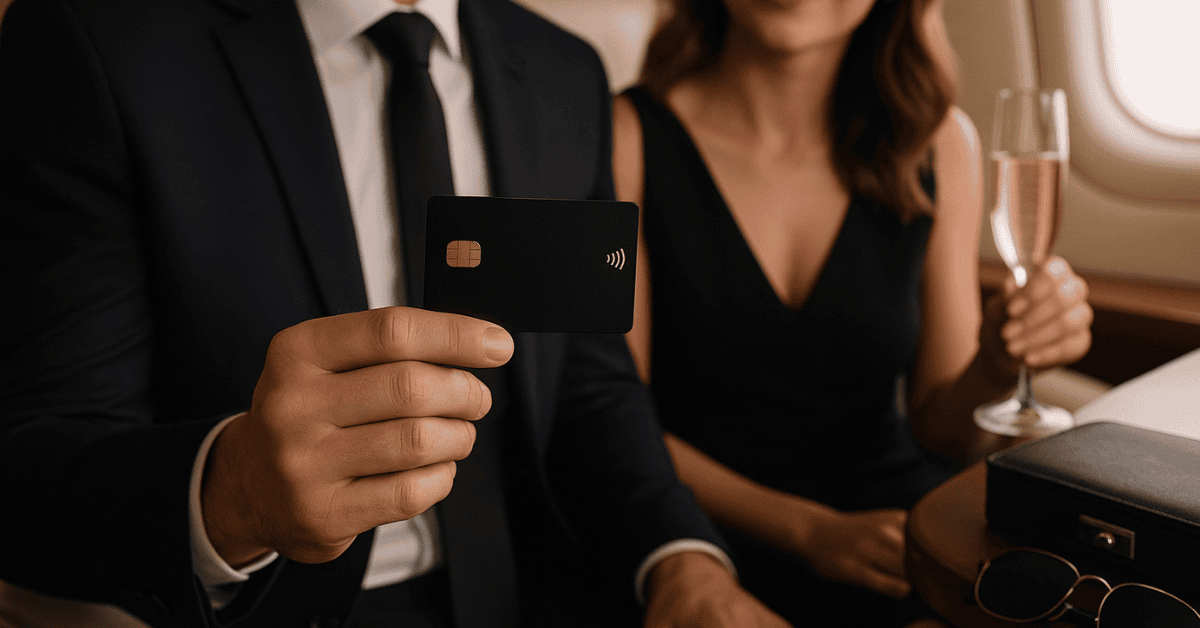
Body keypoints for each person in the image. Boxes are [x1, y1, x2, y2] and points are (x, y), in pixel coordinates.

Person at [0, 0, 790, 626]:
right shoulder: (99, 40)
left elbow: (589, 382)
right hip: (254, 604)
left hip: (542, 588)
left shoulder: (563, 72)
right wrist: (231, 492)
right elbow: (36, 459)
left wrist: (681, 558)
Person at [611, 0, 1094, 625]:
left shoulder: (941, 142)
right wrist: (812, 532)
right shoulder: (630, 135)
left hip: (893, 532)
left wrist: (1000, 362)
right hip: (698, 535)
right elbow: (618, 421)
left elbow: (941, 429)